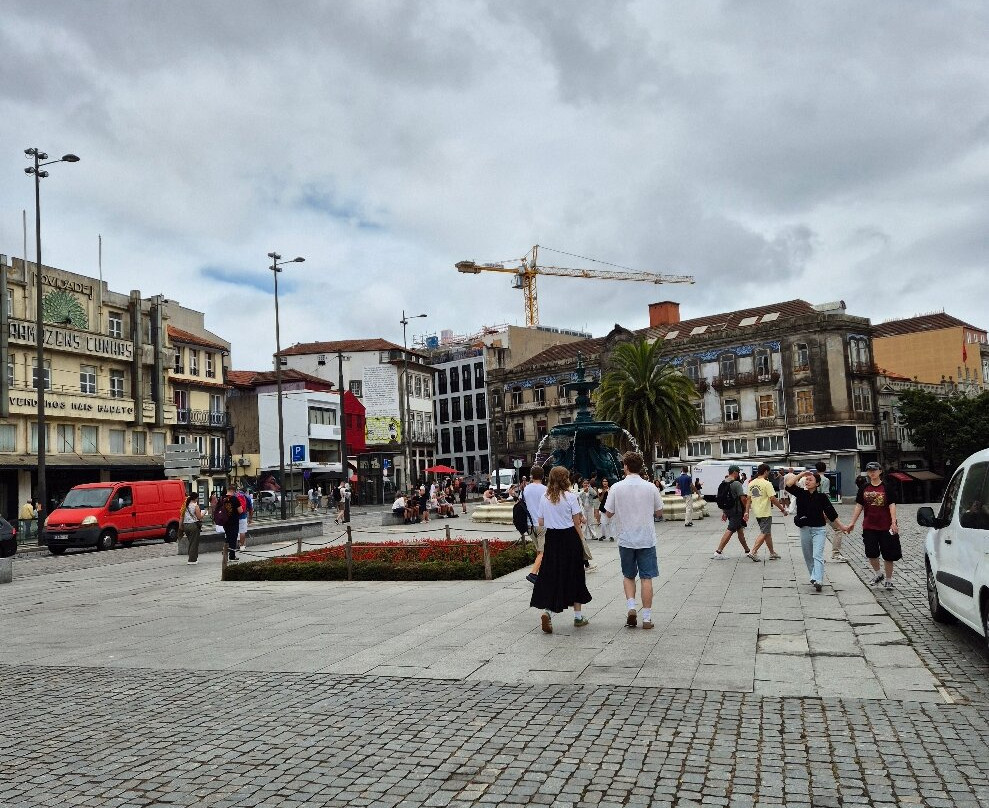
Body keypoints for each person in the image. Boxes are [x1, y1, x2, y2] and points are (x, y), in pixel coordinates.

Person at [605, 451, 663, 629]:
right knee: (647, 577)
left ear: (626, 467)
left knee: (629, 575)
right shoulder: (651, 487)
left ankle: (631, 607)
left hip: (626, 538)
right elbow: (659, 512)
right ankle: (646, 618)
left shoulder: (616, 487)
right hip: (646, 538)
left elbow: (608, 512)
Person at [530, 465, 592, 633]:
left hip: (552, 539)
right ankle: (578, 617)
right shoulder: (571, 497)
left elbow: (541, 522)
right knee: (575, 575)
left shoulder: (545, 497)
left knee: (552, 575)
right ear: (566, 479)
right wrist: (581, 540)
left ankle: (548, 612)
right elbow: (576, 522)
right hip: (570, 539)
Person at [784, 470, 851, 592]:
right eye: (806, 480)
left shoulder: (822, 497)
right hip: (805, 529)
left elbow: (831, 513)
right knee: (808, 556)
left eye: (810, 480)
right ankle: (814, 577)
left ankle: (819, 580)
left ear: (817, 484)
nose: (807, 481)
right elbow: (788, 485)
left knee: (817, 555)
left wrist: (842, 526)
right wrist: (801, 474)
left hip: (819, 529)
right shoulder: (800, 493)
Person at [847, 462, 901, 590]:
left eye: (875, 470)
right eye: (869, 470)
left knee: (888, 554)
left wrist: (893, 522)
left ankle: (889, 580)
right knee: (871, 553)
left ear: (880, 471)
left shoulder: (887, 487)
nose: (872, 472)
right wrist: (852, 522)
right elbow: (859, 506)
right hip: (869, 526)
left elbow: (892, 505)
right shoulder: (864, 488)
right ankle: (878, 574)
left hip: (886, 526)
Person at [746, 464, 788, 561]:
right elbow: (772, 498)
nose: (769, 474)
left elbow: (748, 499)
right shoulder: (767, 483)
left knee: (767, 533)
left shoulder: (751, 483)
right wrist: (782, 509)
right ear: (765, 471)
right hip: (765, 511)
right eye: (768, 472)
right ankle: (753, 552)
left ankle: (772, 553)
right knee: (764, 532)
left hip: (757, 512)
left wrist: (746, 512)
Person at [712, 466, 751, 558]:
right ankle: (718, 552)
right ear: (734, 472)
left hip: (728, 509)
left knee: (740, 529)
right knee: (730, 529)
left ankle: (747, 550)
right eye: (738, 472)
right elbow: (743, 498)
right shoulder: (736, 483)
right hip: (736, 511)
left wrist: (724, 512)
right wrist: (746, 510)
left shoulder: (724, 482)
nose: (738, 474)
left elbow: (721, 498)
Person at [523, 465, 548, 584]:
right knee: (543, 551)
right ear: (543, 476)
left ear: (531, 476)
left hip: (530, 524)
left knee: (539, 550)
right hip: (542, 524)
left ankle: (540, 573)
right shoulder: (545, 489)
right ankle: (532, 574)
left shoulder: (526, 489)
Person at [215, 484, 244, 561]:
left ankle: (225, 553)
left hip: (224, 521)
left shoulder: (221, 498)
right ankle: (232, 556)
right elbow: (240, 511)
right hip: (233, 521)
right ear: (233, 491)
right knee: (233, 538)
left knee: (227, 537)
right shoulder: (234, 499)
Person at [181, 491, 203, 564]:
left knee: (191, 542)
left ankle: (193, 557)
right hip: (193, 525)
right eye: (197, 498)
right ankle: (192, 560)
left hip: (186, 525)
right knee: (194, 543)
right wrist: (204, 513)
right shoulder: (195, 506)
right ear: (195, 498)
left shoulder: (185, 506)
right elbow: (199, 517)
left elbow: (182, 516)